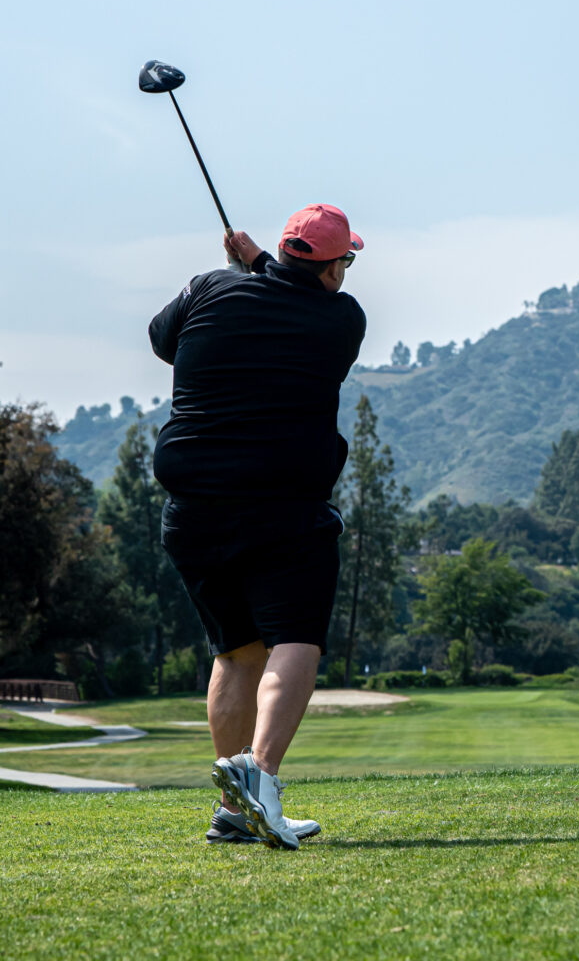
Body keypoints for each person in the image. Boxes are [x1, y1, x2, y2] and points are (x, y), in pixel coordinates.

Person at [149, 203, 366, 850]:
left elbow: (164, 341)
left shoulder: (206, 289)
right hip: (283, 509)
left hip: (192, 510)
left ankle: (234, 810)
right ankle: (261, 779)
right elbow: (292, 299)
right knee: (296, 638)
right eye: (346, 261)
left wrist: (243, 273)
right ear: (333, 268)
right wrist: (257, 268)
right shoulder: (341, 319)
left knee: (237, 653)